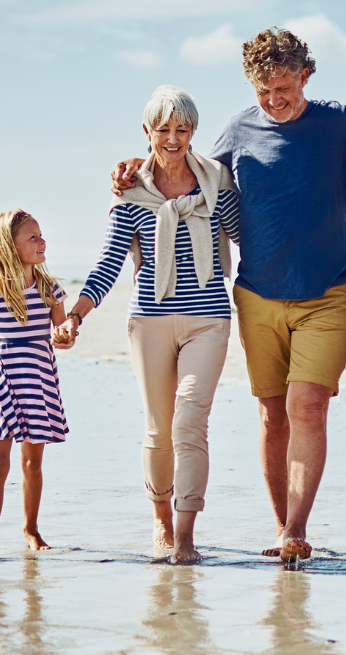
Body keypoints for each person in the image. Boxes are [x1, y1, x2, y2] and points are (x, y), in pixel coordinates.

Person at [111, 29, 346, 563]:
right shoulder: (237, 132)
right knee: (273, 413)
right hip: (257, 295)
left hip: (330, 291)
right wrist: (132, 170)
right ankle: (281, 527)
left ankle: (297, 528)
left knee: (308, 405)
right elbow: (184, 171)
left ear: (306, 76)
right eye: (262, 89)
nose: (274, 100)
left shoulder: (342, 122)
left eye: (284, 87)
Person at [57, 86, 240, 563]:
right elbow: (109, 263)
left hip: (208, 319)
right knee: (160, 428)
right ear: (147, 132)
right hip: (150, 322)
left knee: (189, 423)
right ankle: (160, 523)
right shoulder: (132, 190)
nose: (174, 138)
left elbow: (251, 236)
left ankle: (185, 536)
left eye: (182, 129)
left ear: (193, 131)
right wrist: (75, 315)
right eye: (164, 129)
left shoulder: (217, 181)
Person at [0, 210, 69, 560]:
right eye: (33, 237)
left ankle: (31, 529)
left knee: (32, 461)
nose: (42, 241)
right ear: (10, 247)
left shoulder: (50, 288)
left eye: (41, 235)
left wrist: (66, 336)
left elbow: (61, 332)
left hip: (38, 378)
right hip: (2, 379)